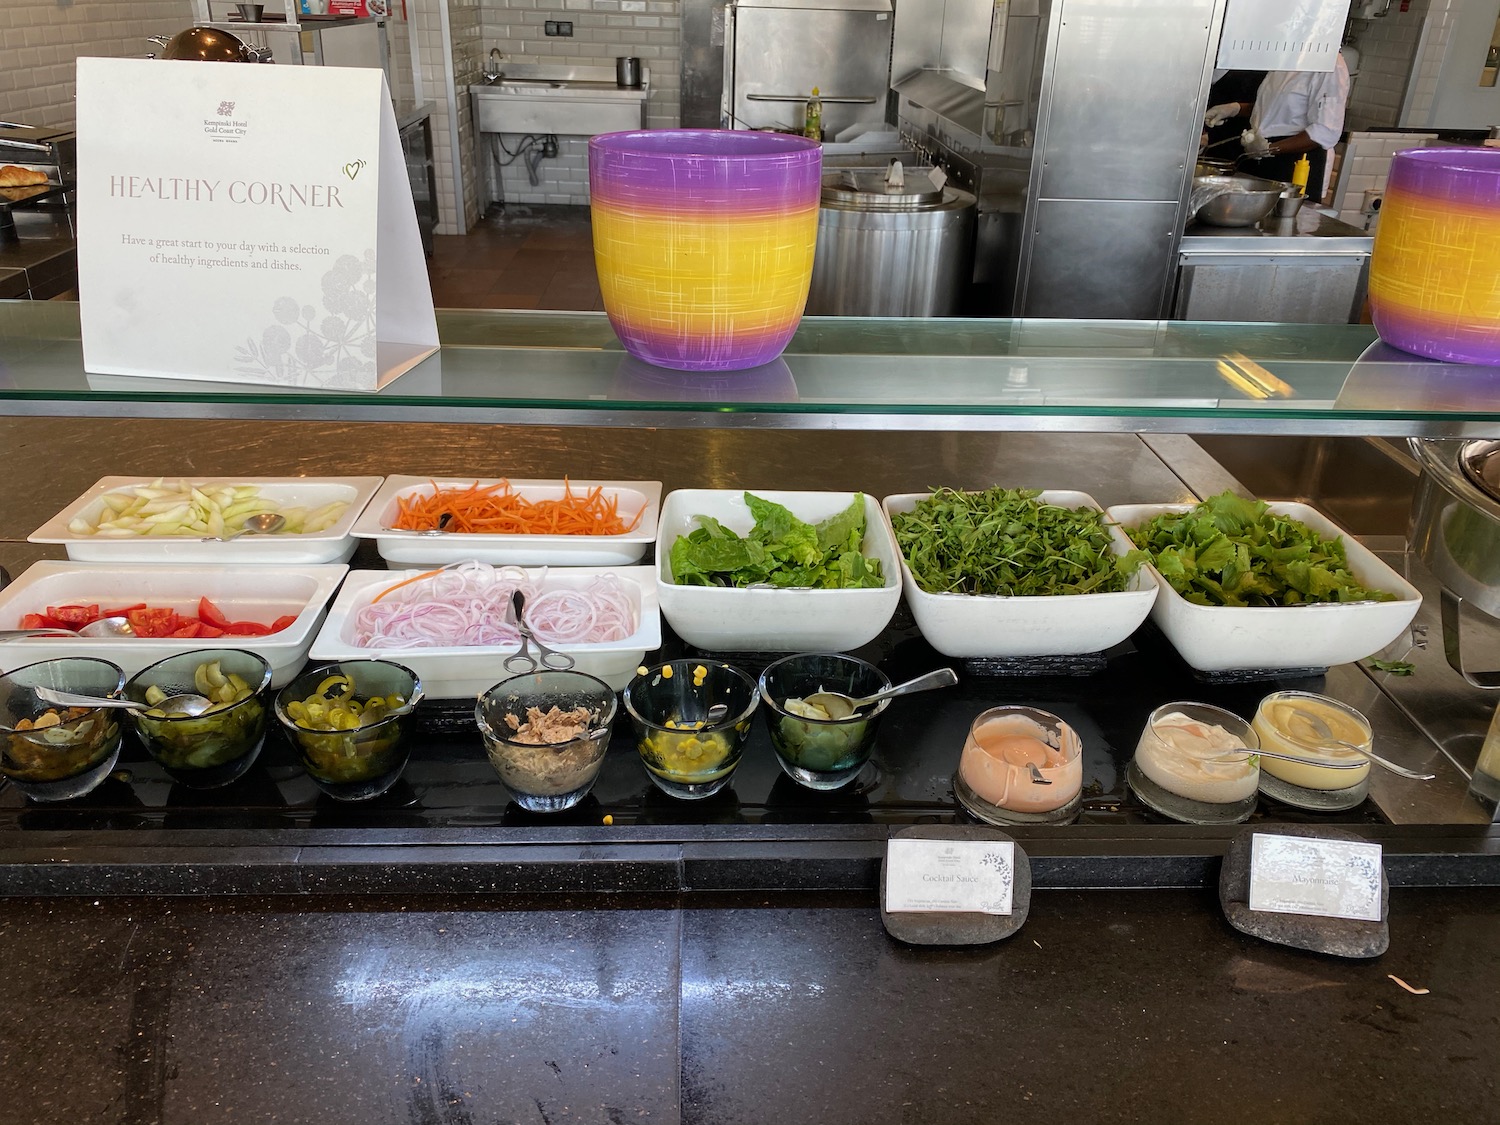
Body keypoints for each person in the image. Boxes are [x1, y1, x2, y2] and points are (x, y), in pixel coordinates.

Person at [1203, 53, 1350, 199]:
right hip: (1261, 159)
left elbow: (1324, 131)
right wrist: (1235, 109)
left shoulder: (1330, 64)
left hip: (1293, 163)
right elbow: (1274, 108)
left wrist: (1270, 149)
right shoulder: (1287, 55)